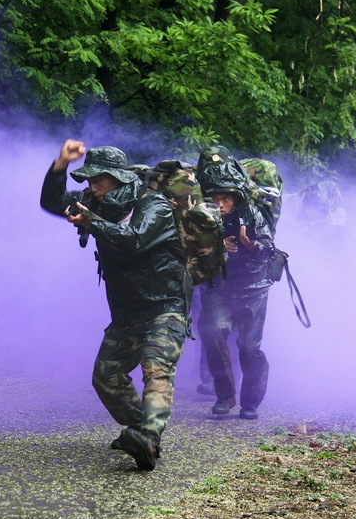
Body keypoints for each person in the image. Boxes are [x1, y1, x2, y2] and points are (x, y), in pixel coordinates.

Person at [40, 140, 191, 471]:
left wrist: (91, 222)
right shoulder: (97, 203)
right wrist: (61, 164)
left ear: (119, 178)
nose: (93, 187)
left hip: (166, 307)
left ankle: (148, 440)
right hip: (126, 314)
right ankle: (142, 430)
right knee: (105, 376)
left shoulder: (155, 205)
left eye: (99, 180)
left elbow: (135, 239)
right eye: (90, 181)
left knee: (156, 367)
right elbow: (52, 202)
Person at [198, 181, 275, 420]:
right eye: (216, 199)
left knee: (249, 346)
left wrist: (250, 244)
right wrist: (216, 245)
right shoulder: (202, 215)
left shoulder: (253, 213)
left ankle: (250, 402)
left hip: (252, 287)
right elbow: (188, 244)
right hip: (218, 285)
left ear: (236, 199)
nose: (220, 205)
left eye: (226, 199)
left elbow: (268, 243)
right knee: (213, 332)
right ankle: (224, 396)